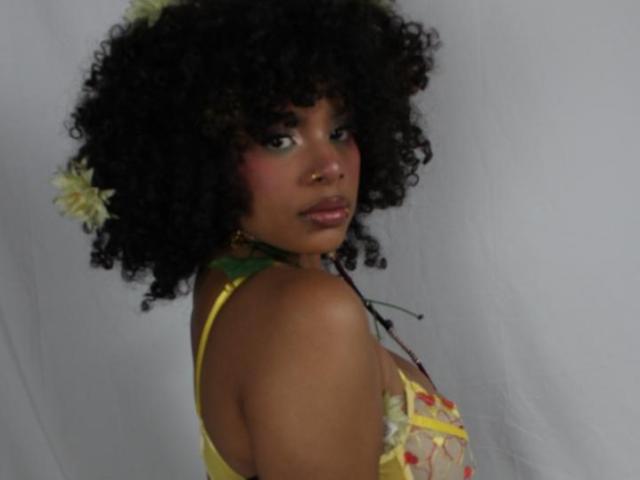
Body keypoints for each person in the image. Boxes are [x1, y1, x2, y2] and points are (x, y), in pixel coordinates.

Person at [53, 0, 476, 478]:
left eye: (340, 130)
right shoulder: (309, 313)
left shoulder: (231, 283)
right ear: (203, 156)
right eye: (279, 139)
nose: (330, 166)